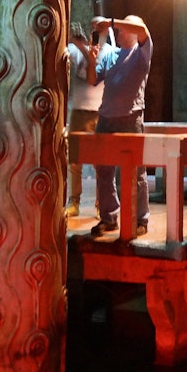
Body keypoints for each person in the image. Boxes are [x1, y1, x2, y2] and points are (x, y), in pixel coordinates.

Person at [80, 15, 153, 237]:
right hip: (106, 117)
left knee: (136, 171)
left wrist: (112, 22)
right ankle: (108, 217)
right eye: (119, 29)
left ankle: (140, 218)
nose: (120, 32)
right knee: (103, 170)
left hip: (130, 117)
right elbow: (92, 80)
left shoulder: (141, 52)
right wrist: (92, 59)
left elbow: (142, 28)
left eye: (124, 28)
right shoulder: (110, 53)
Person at [65, 22, 103, 217]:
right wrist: (76, 41)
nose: (95, 34)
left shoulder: (109, 52)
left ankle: (100, 204)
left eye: (99, 31)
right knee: (75, 160)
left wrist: (86, 50)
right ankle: (74, 202)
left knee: (100, 161)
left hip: (99, 111)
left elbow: (92, 74)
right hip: (79, 111)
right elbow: (67, 48)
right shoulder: (76, 49)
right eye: (93, 30)